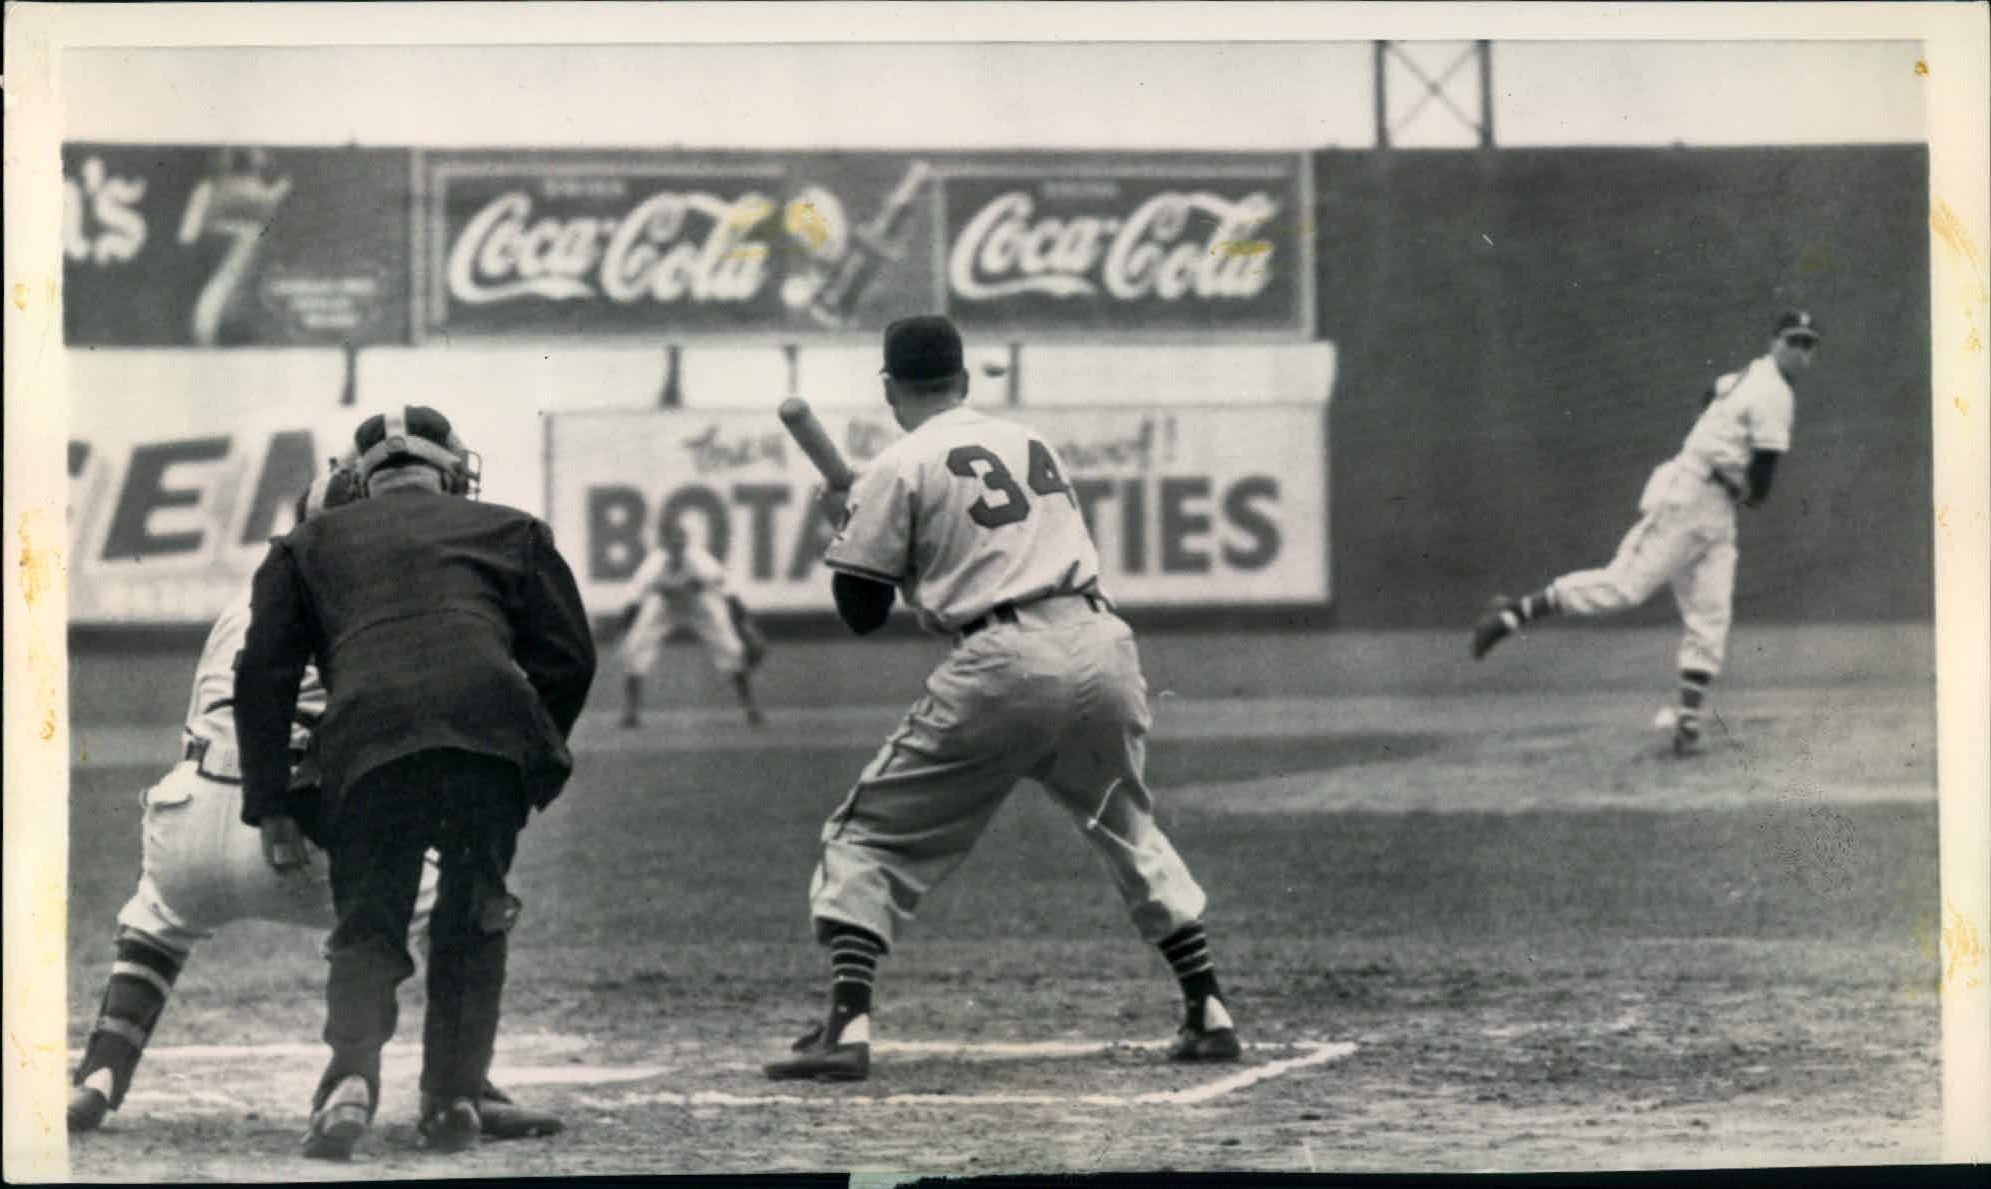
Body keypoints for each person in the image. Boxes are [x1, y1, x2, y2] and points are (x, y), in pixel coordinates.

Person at [764, 315, 1241, 1082]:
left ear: (888, 388)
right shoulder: (1028, 442)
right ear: (962, 380)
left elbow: (861, 611)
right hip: (1100, 641)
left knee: (869, 837)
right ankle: (1208, 1008)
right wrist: (867, 526)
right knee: (1124, 821)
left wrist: (850, 527)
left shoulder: (896, 463)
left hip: (1005, 660)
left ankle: (846, 1025)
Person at [66, 467, 560, 1141]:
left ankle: (99, 1074)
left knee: (154, 923)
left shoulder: (246, 598)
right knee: (456, 905)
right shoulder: (374, 599)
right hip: (297, 837)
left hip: (190, 815)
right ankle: (459, 1086)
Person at [235, 407, 595, 1159]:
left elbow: (263, 676)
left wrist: (269, 803)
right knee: (474, 913)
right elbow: (570, 658)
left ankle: (350, 1076)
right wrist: (528, 749)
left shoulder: (304, 545)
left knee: (370, 917)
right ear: (451, 468)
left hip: (369, 740)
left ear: (360, 480)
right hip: (486, 738)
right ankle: (452, 1096)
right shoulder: (512, 529)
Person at [1470, 309, 1817, 754]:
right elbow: (1764, 471)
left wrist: (1719, 444)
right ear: (1775, 341)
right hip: (1690, 496)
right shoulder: (1774, 393)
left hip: (1717, 507)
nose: (1800, 351)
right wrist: (1741, 482)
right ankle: (1511, 614)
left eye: (1808, 344)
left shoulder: (1749, 374)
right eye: (1793, 340)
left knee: (1711, 612)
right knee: (1624, 587)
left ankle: (1687, 723)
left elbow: (1712, 392)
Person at [613, 521, 766, 728]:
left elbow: (729, 595)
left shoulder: (701, 561)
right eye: (672, 541)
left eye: (680, 540)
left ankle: (751, 708)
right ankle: (631, 712)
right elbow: (634, 601)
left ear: (686, 542)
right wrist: (622, 633)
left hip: (700, 605)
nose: (677, 544)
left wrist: (747, 627)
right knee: (634, 649)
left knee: (732, 650)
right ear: (664, 544)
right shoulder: (653, 565)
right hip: (664, 607)